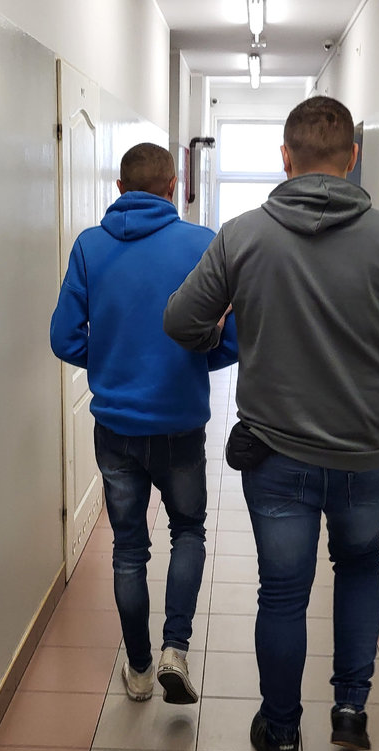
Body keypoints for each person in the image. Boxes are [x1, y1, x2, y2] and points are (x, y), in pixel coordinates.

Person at [163, 97, 379, 751]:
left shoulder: (241, 237)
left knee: (282, 594)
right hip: (364, 454)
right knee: (359, 568)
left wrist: (238, 335)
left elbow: (182, 321)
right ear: (352, 157)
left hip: (276, 453)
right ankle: (350, 709)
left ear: (285, 158)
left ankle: (281, 734)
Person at [50, 142, 237, 705]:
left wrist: (109, 361)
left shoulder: (90, 246)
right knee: (188, 531)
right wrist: (190, 364)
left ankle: (137, 667)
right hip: (179, 424)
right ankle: (175, 648)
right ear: (173, 185)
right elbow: (232, 340)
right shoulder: (202, 244)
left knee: (129, 549)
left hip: (115, 430)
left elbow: (64, 338)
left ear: (119, 188)